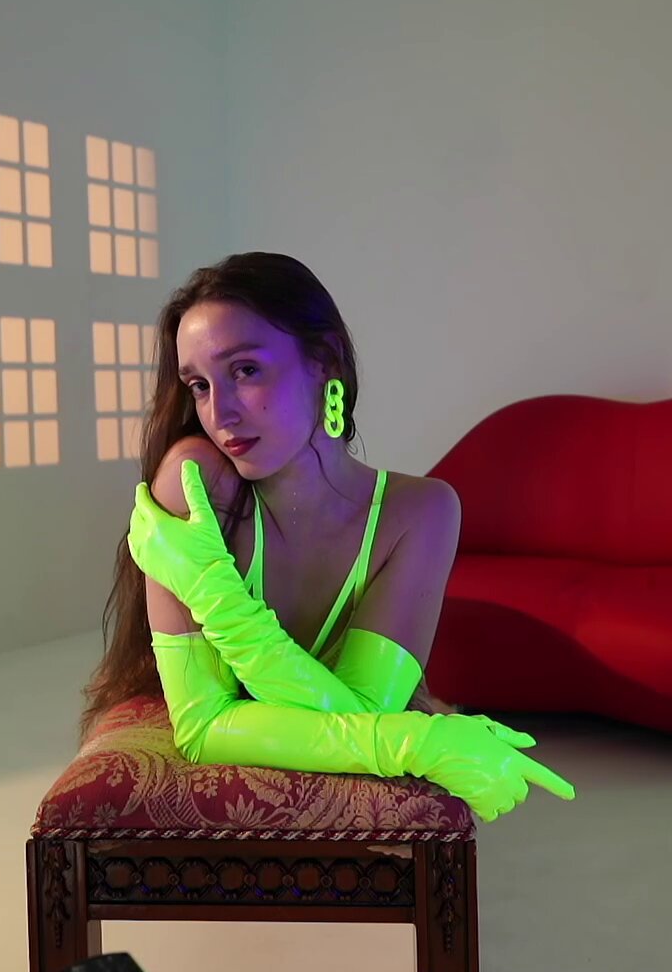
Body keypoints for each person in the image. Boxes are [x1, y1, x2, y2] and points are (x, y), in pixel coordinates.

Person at [80, 252, 574, 823]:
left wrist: (211, 590)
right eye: (199, 385)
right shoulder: (194, 480)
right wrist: (413, 743)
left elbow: (362, 712)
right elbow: (202, 727)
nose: (220, 413)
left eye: (245, 370)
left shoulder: (422, 511)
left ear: (324, 360)